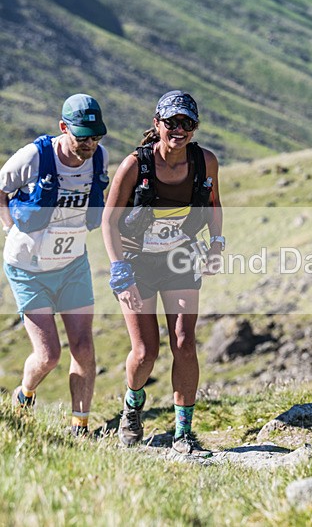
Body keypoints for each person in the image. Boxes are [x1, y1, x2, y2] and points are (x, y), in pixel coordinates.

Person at [101, 91, 223, 456]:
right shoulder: (135, 166)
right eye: (171, 122)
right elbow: (109, 220)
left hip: (179, 259)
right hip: (137, 264)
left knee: (184, 343)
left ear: (194, 127)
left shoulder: (205, 162)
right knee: (145, 351)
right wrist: (120, 270)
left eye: (187, 123)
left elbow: (214, 203)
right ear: (157, 124)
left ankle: (183, 432)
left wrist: (216, 242)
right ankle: (132, 407)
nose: (179, 130)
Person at [0, 94, 110, 436]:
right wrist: (8, 225)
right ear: (63, 128)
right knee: (48, 355)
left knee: (84, 346)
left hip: (72, 264)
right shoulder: (34, 156)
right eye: (82, 137)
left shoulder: (99, 158)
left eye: (96, 136)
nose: (90, 144)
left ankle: (81, 426)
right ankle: (24, 394)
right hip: (28, 269)